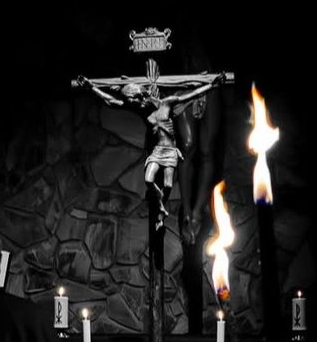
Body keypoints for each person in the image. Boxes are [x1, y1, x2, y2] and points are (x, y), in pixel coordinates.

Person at [78, 72, 226, 228]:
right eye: (131, 100)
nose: (135, 102)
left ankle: (169, 212)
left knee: (169, 184)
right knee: (149, 180)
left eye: (135, 98)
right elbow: (111, 101)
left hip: (169, 151)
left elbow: (190, 95)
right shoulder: (141, 108)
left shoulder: (166, 103)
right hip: (156, 153)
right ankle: (160, 207)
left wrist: (212, 85)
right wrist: (91, 87)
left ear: (143, 94)